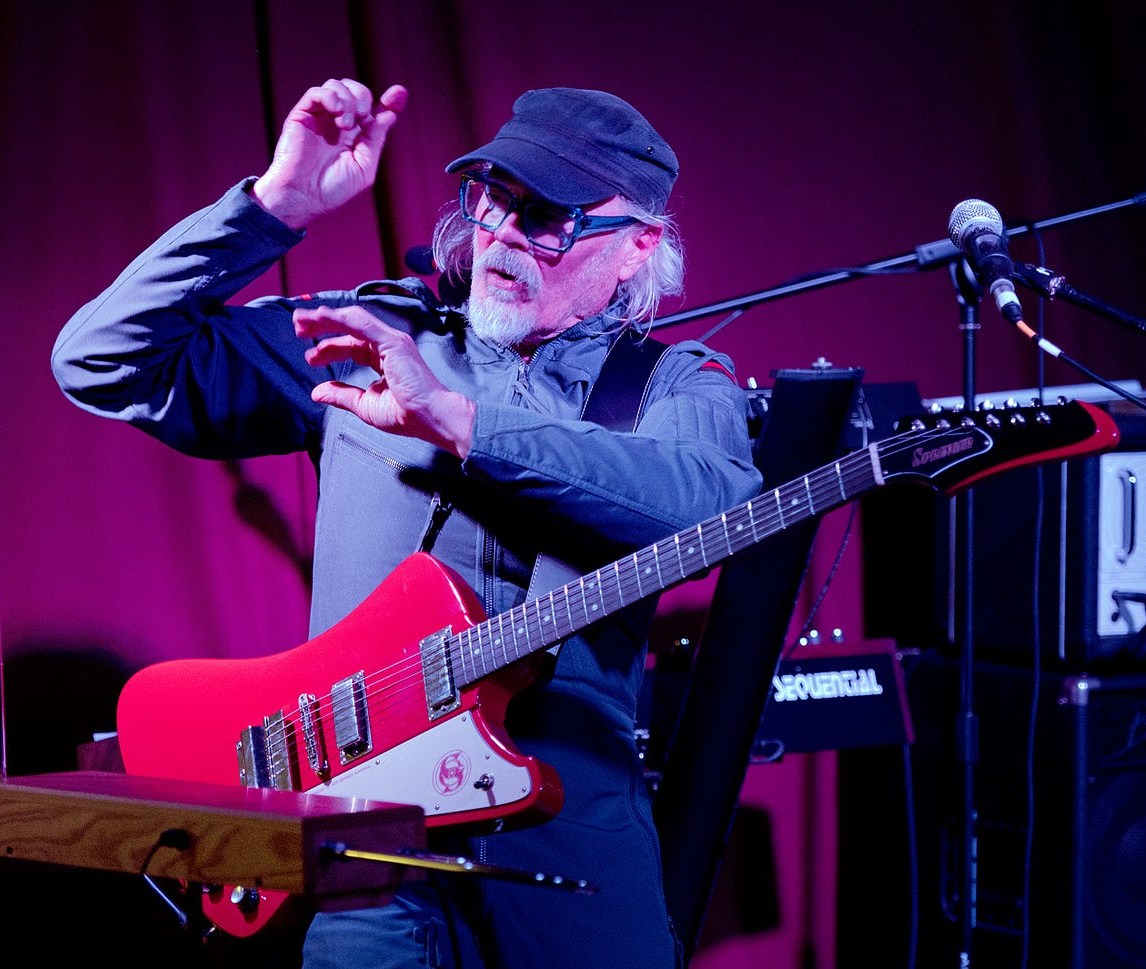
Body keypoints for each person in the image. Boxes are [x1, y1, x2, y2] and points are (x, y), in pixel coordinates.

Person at [52, 79, 762, 969]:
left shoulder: (673, 384)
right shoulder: (379, 333)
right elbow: (99, 358)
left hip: (569, 843)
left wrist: (463, 422)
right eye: (495, 200)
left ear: (637, 248)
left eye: (550, 218)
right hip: (373, 858)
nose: (503, 234)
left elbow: (713, 506)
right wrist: (273, 207)